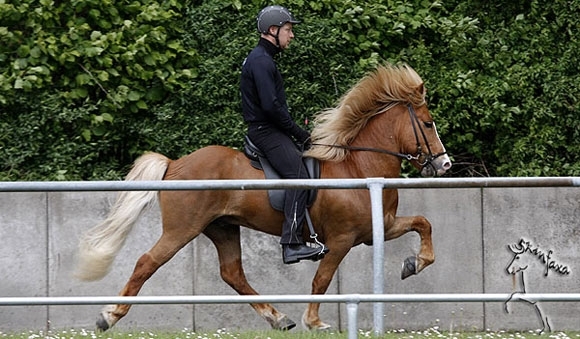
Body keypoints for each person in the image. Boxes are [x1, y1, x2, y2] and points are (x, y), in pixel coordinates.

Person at [240, 5, 328, 264]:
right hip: (266, 131)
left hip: (269, 129)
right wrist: (299, 133)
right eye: (288, 30)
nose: (291, 36)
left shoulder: (262, 60)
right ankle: (291, 243)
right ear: (272, 30)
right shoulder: (261, 61)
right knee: (300, 177)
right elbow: (271, 107)